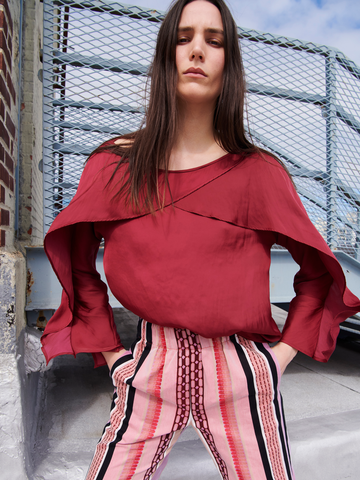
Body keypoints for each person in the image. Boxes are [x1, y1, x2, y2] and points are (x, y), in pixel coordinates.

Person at [41, 0, 360, 479]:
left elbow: (319, 273)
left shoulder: (260, 173)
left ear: (229, 64)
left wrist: (278, 360)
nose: (197, 51)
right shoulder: (113, 164)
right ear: (165, 54)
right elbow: (77, 263)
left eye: (214, 41)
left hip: (241, 376)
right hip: (146, 374)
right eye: (183, 37)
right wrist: (113, 357)